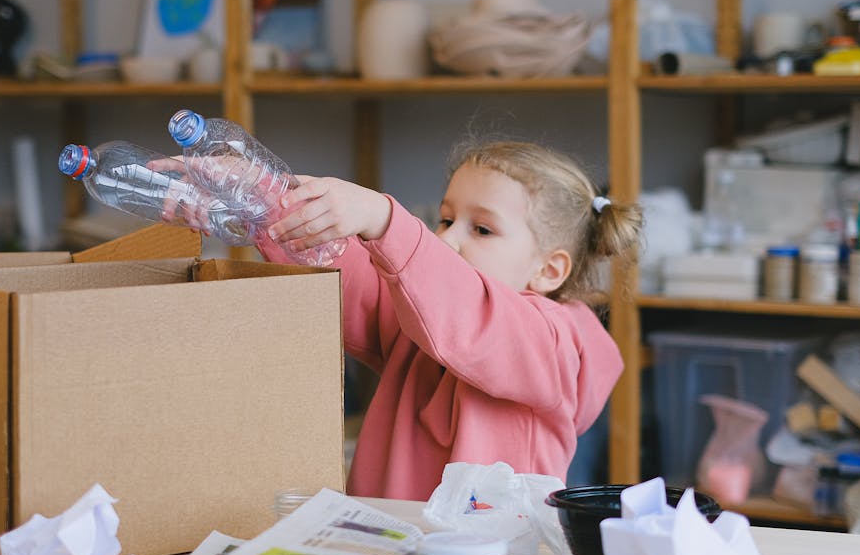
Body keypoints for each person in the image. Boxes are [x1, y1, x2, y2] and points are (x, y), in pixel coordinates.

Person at [258, 139, 643, 501]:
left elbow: (471, 318)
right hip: (391, 547)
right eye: (445, 220)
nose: (446, 240)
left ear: (549, 269)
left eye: (482, 229)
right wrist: (260, 200)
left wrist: (386, 220)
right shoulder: (423, 310)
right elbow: (352, 279)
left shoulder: (552, 342)